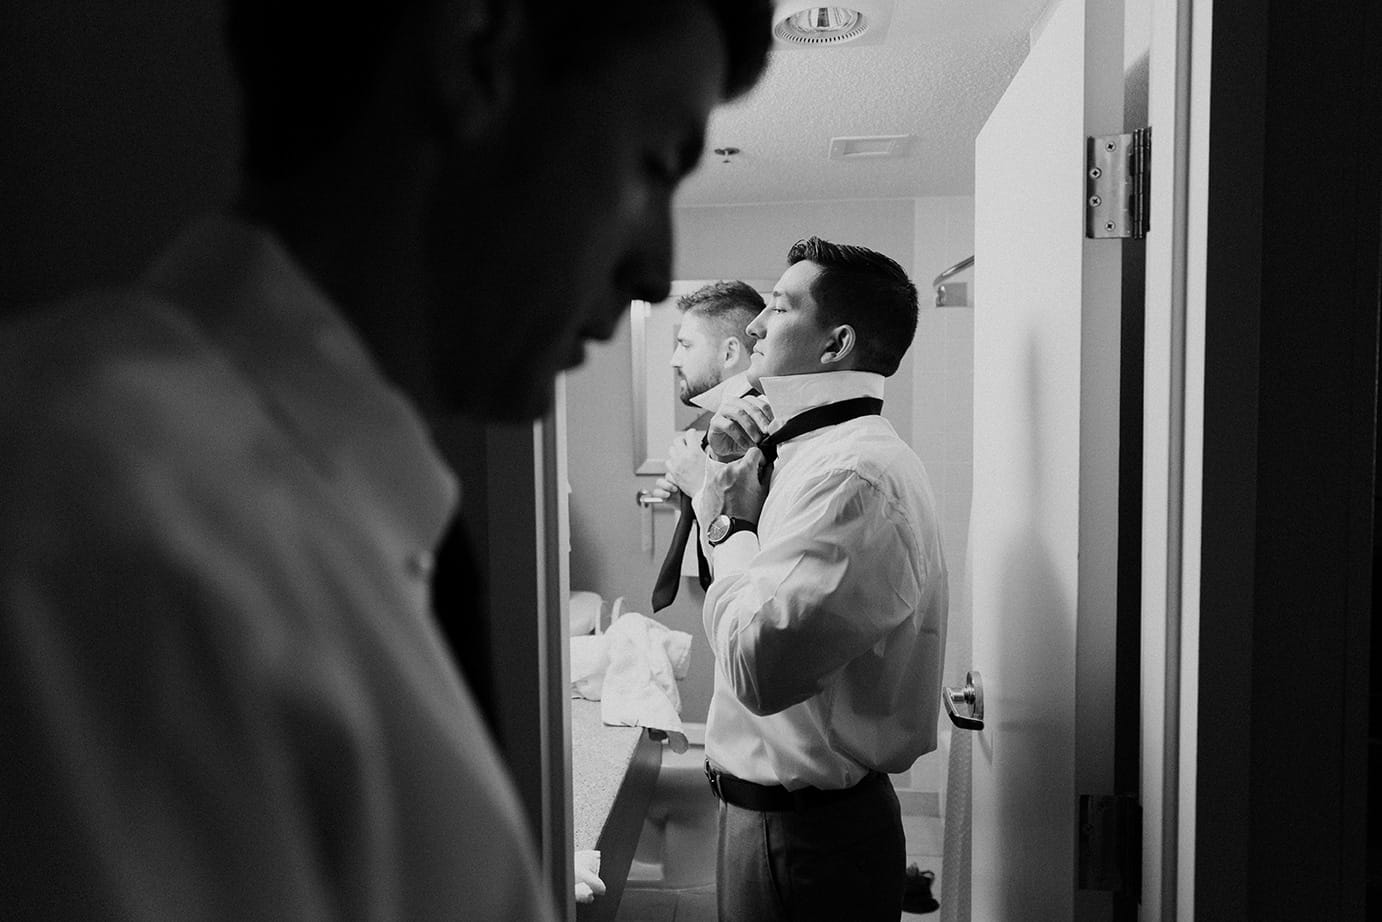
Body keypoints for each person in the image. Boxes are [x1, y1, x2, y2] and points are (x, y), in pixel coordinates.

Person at [0, 2, 771, 918]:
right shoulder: (108, 529)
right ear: (476, 56)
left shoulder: (348, 519)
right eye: (651, 164)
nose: (656, 268)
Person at [691, 236, 949, 921]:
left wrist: (729, 528)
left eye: (777, 306)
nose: (752, 325)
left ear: (834, 345)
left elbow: (757, 667)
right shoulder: (810, 453)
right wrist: (722, 462)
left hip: (802, 836)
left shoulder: (849, 479)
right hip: (780, 820)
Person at [649, 281, 761, 610]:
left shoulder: (760, 427)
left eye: (685, 345)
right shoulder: (707, 423)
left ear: (728, 353)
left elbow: (761, 548)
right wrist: (686, 502)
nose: (674, 359)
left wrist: (700, 486)